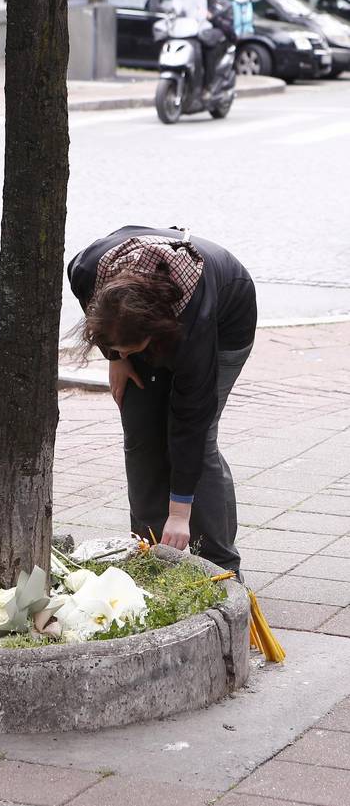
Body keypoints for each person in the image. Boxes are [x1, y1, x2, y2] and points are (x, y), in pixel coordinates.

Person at [68, 226, 257, 575]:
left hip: (226, 323)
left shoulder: (194, 329)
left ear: (154, 333)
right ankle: (150, 551)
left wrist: (179, 514)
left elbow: (190, 422)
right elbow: (90, 296)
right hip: (139, 314)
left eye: (128, 349)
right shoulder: (89, 271)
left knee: (197, 439)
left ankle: (220, 567)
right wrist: (116, 357)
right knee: (141, 430)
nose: (123, 352)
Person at [202, 0, 237, 95]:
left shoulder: (223, 5)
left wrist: (212, 18)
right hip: (199, 37)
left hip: (218, 41)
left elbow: (228, 27)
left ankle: (208, 86)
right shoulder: (194, 3)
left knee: (209, 51)